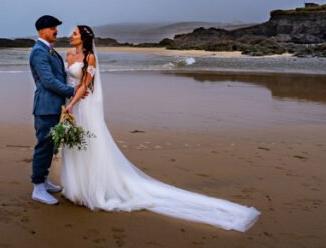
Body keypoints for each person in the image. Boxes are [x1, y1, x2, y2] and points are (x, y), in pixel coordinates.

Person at [60, 25, 261, 232]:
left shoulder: (90, 58)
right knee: (73, 142)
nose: (69, 36)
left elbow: (85, 85)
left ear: (83, 38)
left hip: (83, 105)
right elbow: (67, 79)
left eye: (74, 33)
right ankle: (75, 186)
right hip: (71, 102)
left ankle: (91, 188)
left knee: (88, 142)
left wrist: (72, 104)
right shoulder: (67, 55)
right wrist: (66, 101)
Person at [27, 14, 78, 205]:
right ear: (42, 31)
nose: (56, 30)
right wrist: (72, 90)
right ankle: (38, 187)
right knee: (44, 146)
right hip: (45, 107)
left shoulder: (50, 50)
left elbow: (59, 75)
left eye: (56, 27)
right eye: (52, 28)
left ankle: (44, 180)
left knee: (51, 146)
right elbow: (48, 81)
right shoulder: (39, 52)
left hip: (55, 105)